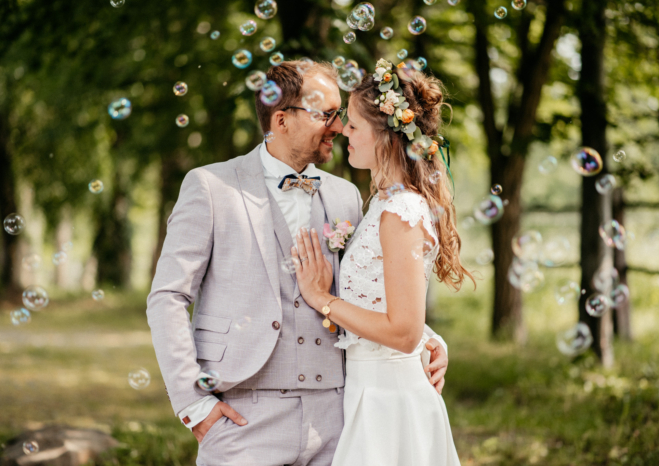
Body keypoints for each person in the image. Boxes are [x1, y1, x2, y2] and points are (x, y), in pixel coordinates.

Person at [146, 60, 451, 466]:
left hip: (338, 420)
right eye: (325, 114)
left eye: (340, 115)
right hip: (243, 420)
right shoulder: (211, 186)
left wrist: (426, 339)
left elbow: (368, 286)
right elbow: (167, 296)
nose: (338, 126)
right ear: (282, 120)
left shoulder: (346, 195)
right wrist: (195, 406)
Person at [291, 59, 474, 465]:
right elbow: (393, 306)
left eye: (353, 125)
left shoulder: (400, 211)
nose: (341, 132)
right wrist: (433, 338)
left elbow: (403, 332)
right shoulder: (384, 205)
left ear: (387, 136)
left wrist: (321, 298)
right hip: (369, 393)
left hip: (389, 403)